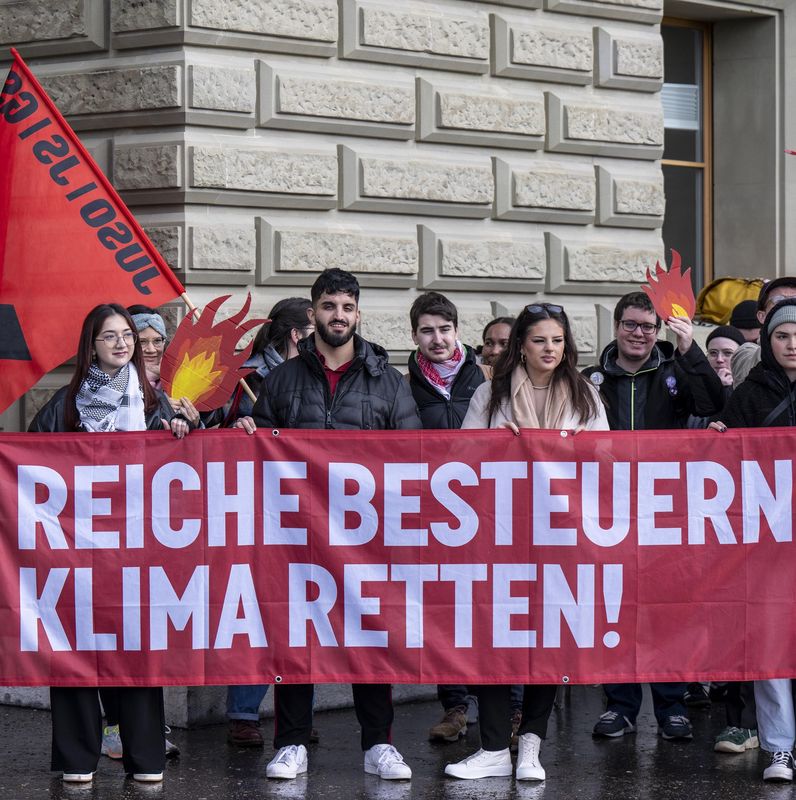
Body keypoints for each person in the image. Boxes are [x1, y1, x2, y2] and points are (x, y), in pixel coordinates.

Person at [249, 268, 422, 781]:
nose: (338, 316)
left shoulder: (388, 382)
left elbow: (411, 456)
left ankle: (378, 745)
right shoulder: (280, 379)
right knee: (295, 635)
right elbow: (260, 443)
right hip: (296, 536)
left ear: (358, 314)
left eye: (347, 307)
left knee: (371, 635)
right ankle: (291, 743)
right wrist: (247, 430)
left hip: (366, 538)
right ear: (313, 312)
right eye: (328, 306)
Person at [29, 303, 193, 784]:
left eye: (128, 335)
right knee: (73, 650)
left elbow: (183, 468)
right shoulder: (64, 405)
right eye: (110, 336)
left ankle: (144, 757)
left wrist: (183, 431)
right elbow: (30, 462)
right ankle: (78, 758)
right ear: (91, 346)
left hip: (138, 554)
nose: (122, 344)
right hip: (75, 552)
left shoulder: (155, 402)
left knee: (137, 651)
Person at [445, 302, 608, 781]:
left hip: (560, 536)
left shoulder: (585, 395)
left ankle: (531, 744)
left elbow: (606, 458)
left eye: (557, 340)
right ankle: (494, 748)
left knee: (549, 638)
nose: (550, 349)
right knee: (495, 638)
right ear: (521, 344)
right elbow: (461, 456)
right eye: (540, 340)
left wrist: (572, 449)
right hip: (499, 534)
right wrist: (498, 444)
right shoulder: (490, 393)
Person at [582, 291, 725, 742]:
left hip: (665, 510)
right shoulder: (591, 378)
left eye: (647, 326)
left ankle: (671, 706)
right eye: (630, 325)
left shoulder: (674, 372)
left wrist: (689, 349)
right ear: (617, 326)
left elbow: (712, 404)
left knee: (667, 610)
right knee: (613, 608)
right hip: (606, 512)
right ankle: (620, 706)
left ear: (658, 331)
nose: (639, 334)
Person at [711, 297, 796, 781]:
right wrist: (718, 438)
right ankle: (779, 747)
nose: (791, 345)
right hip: (765, 544)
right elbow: (727, 460)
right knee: (771, 648)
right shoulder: (748, 394)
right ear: (768, 341)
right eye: (782, 336)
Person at [225, 297, 314, 747]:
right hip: (257, 508)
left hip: (309, 507)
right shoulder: (244, 379)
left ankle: (296, 716)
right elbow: (212, 429)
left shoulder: (318, 374)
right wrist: (237, 426)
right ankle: (244, 712)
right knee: (257, 609)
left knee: (305, 611)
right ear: (298, 334)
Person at [404, 291, 490, 742]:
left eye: (444, 329)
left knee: (494, 606)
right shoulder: (403, 384)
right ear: (414, 336)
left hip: (489, 510)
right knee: (444, 607)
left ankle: (509, 708)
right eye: (426, 331)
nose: (437, 339)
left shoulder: (488, 378)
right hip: (435, 513)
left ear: (458, 332)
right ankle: (454, 708)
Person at [731, 278, 796, 385]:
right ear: (762, 316)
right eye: (779, 301)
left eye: (794, 300)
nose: (788, 306)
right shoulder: (745, 353)